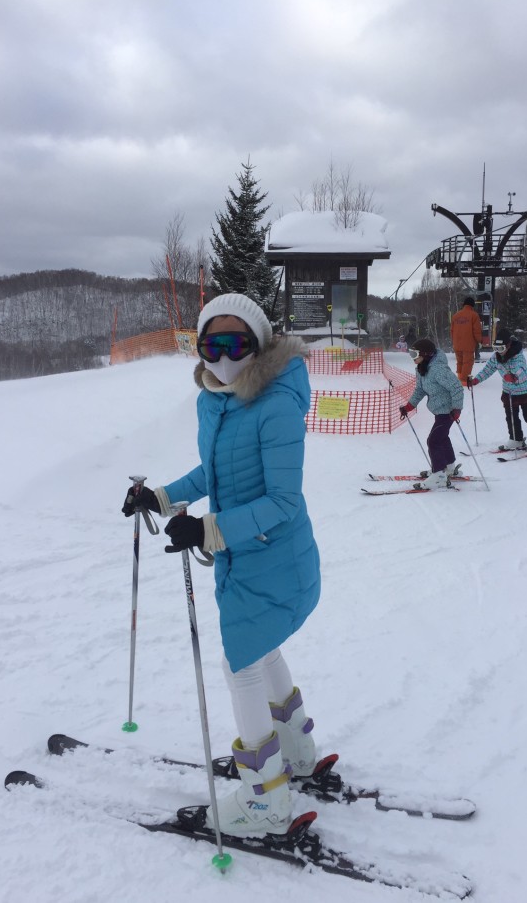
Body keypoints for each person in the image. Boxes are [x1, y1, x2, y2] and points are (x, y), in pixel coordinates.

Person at [122, 293, 320, 838]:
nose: (224, 355)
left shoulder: (276, 401)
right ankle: (297, 751)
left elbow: (284, 501)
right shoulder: (215, 398)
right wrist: (160, 499)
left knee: (241, 665)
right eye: (213, 343)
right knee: (262, 648)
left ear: (259, 345)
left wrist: (209, 529)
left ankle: (264, 800)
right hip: (250, 557)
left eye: (237, 343)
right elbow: (214, 472)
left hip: (271, 557)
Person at [398, 338, 464, 489]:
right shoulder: (422, 368)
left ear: (426, 354)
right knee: (442, 438)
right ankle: (449, 467)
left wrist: (457, 409)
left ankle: (439, 475)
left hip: (448, 411)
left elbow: (457, 388)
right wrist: (409, 406)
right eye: (411, 353)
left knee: (433, 441)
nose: (412, 357)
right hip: (438, 410)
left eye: (415, 354)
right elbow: (420, 390)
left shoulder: (438, 369)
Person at [467, 328, 527, 452]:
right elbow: (488, 369)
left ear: (508, 345)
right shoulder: (497, 356)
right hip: (509, 392)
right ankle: (516, 439)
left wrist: (514, 376)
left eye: (501, 349)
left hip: (525, 391)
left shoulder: (517, 355)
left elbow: (522, 370)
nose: (499, 352)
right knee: (511, 417)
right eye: (496, 348)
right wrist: (476, 380)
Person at [451, 296, 482, 385]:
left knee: (460, 361)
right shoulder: (474, 315)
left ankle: (460, 377)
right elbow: (477, 330)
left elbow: (452, 331)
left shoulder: (455, 315)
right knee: (467, 362)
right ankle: (464, 381)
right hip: (468, 344)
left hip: (457, 344)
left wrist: (454, 341)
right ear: (472, 305)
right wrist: (479, 340)